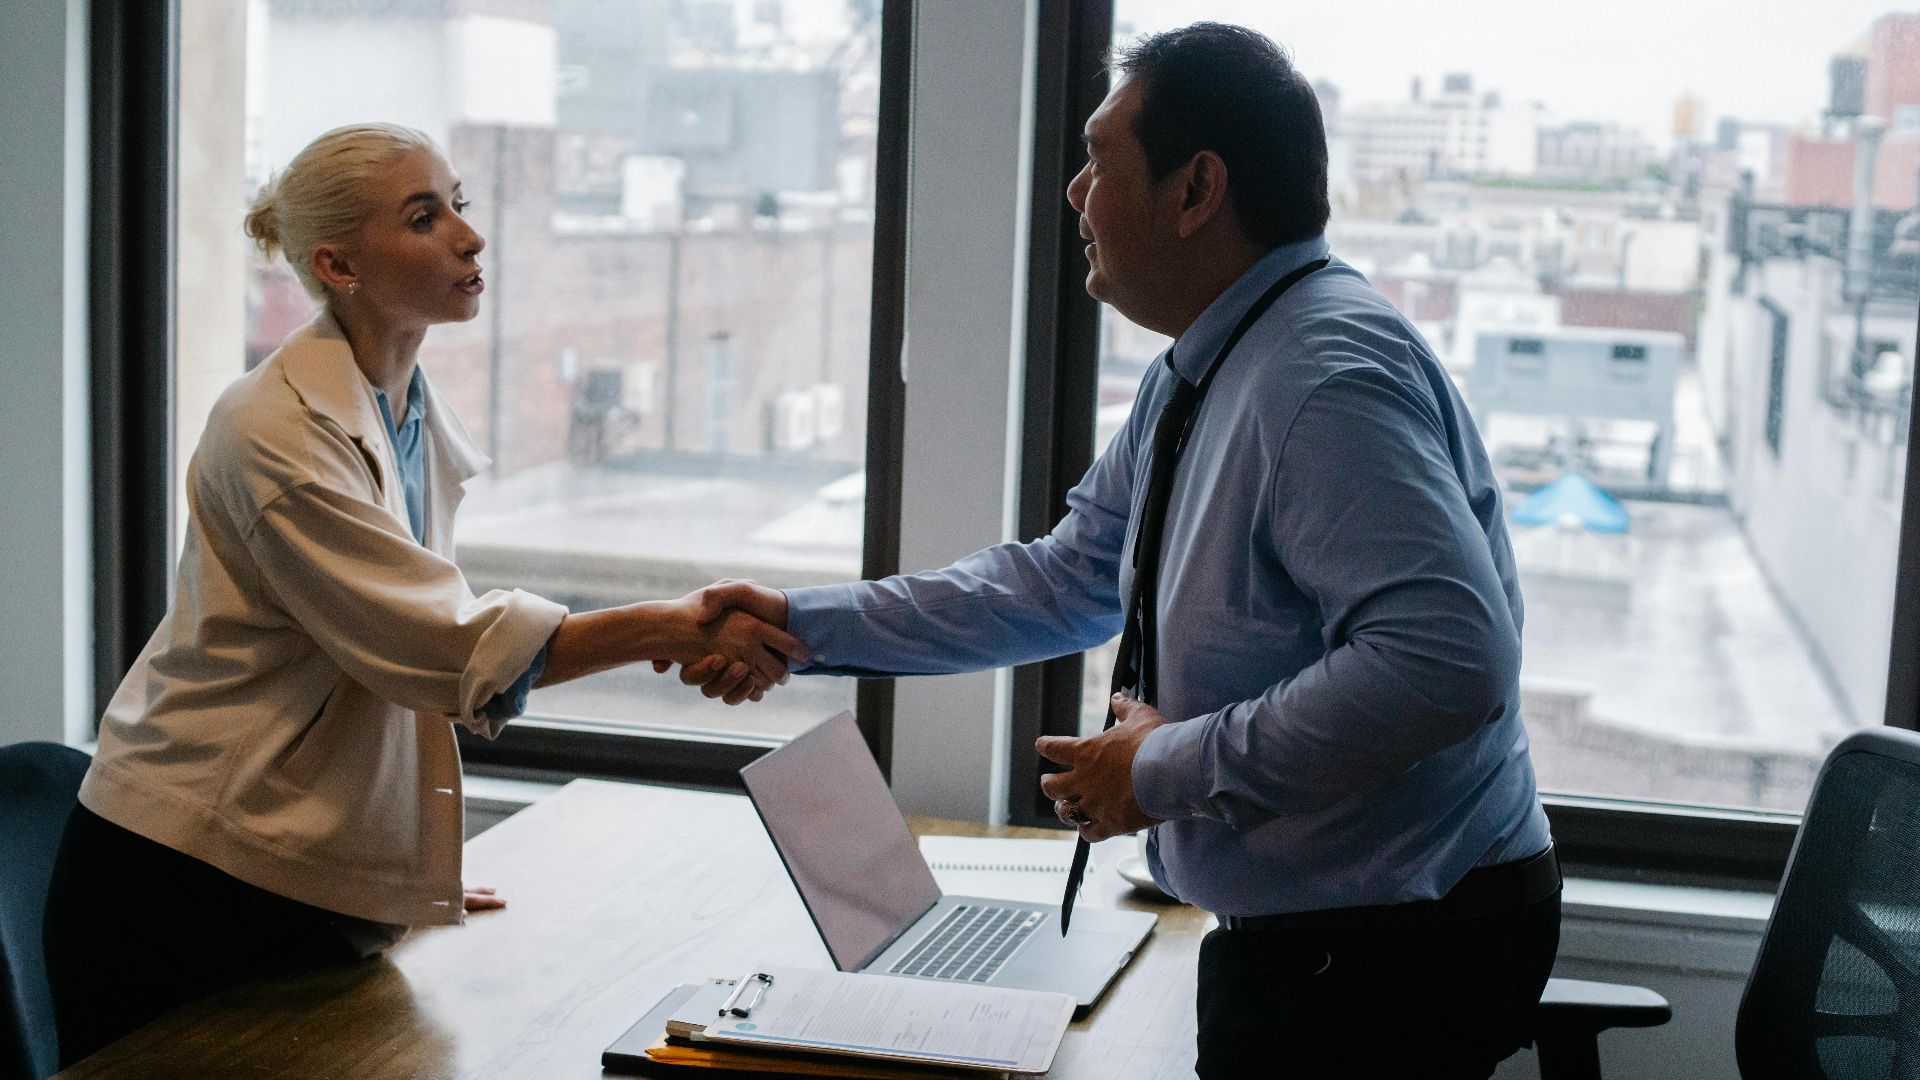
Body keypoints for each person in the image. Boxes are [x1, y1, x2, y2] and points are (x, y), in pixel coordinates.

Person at [686, 24, 1559, 1079]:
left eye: (1099, 159)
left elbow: (1446, 664)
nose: (1073, 193)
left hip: (1383, 949)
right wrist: (801, 626)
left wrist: (1159, 766)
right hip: (1325, 933)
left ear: (1196, 192)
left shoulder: (1321, 381)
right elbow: (1067, 580)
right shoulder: (1209, 363)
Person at [41, 123, 805, 1068]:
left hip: (287, 861)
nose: (469, 237)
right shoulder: (275, 431)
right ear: (337, 263)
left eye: (460, 204)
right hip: (191, 877)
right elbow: (439, 646)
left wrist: (405, 867)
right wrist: (674, 626)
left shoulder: (396, 404)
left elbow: (394, 655)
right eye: (424, 216)